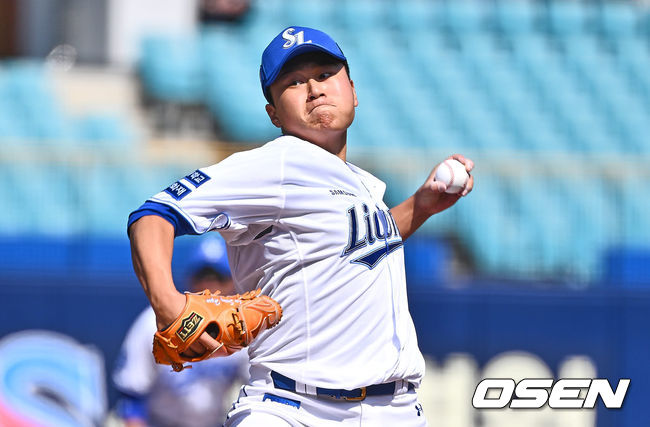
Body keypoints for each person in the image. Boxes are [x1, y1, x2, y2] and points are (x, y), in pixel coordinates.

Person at [127, 26, 474, 426]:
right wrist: (166, 301)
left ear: (353, 91)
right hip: (293, 409)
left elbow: (359, 246)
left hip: (393, 411)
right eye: (294, 82)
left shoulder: (357, 183)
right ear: (274, 113)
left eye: (325, 75)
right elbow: (153, 214)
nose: (315, 89)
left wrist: (420, 206)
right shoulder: (277, 163)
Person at [113, 235, 248, 427]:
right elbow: (132, 398)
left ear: (232, 283)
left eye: (219, 278)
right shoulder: (154, 322)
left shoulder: (242, 329)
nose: (209, 286)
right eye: (203, 277)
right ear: (190, 279)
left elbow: (259, 390)